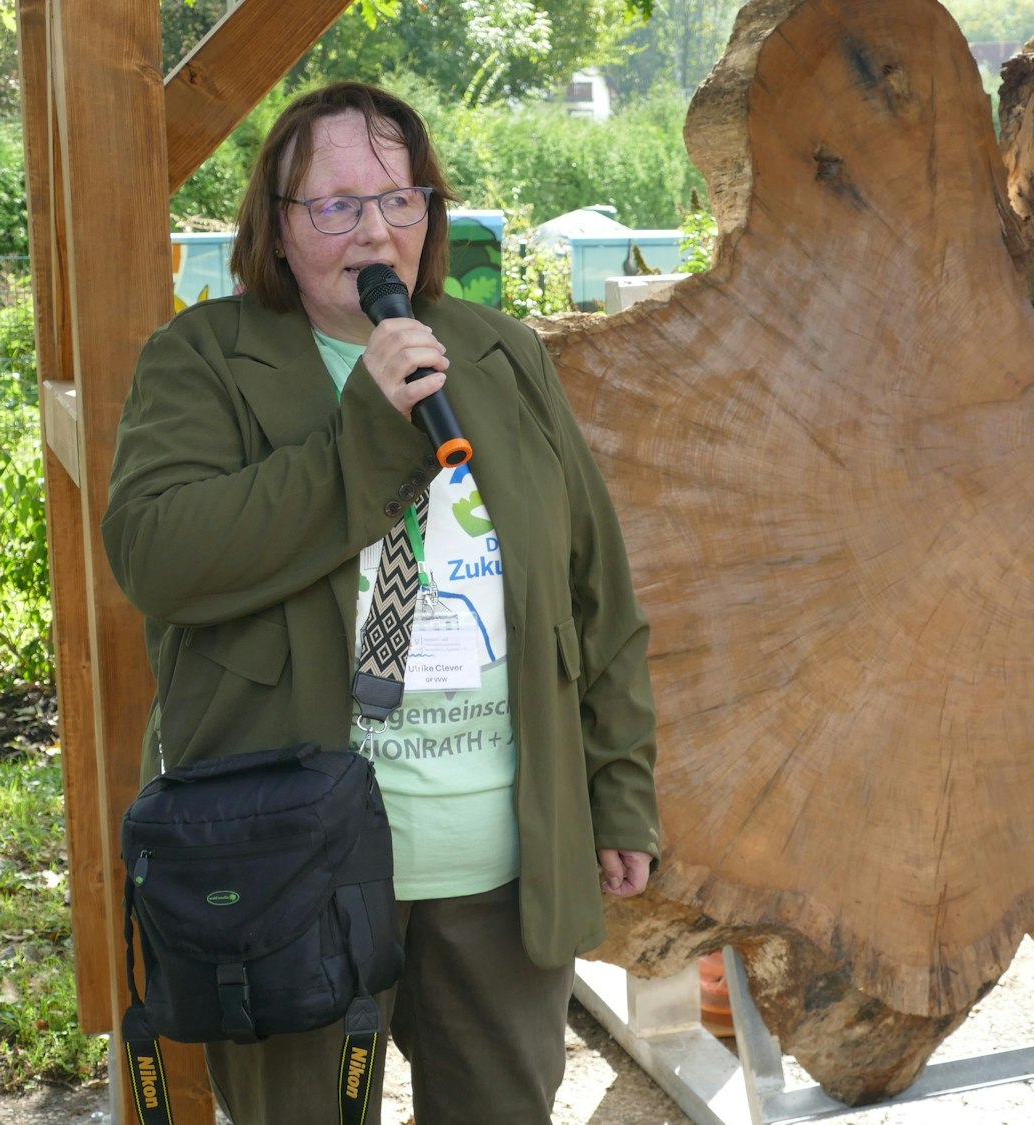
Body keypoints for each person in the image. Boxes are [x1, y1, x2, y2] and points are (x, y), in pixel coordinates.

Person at [101, 81, 660, 1124]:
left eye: (402, 201)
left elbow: (596, 595)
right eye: (337, 205)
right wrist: (361, 429)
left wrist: (618, 790)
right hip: (285, 866)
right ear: (275, 223)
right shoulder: (202, 361)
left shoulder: (500, 354)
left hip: (491, 861)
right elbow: (158, 556)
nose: (376, 231)